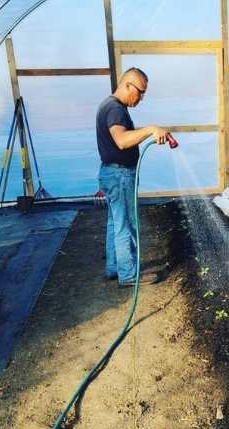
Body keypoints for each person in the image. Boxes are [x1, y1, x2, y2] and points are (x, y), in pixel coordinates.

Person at [96, 67, 167, 287]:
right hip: (120, 176)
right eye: (140, 91)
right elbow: (122, 140)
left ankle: (114, 268)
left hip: (111, 172)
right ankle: (128, 275)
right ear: (127, 85)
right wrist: (150, 129)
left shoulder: (107, 105)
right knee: (125, 225)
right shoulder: (116, 110)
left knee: (115, 222)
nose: (142, 97)